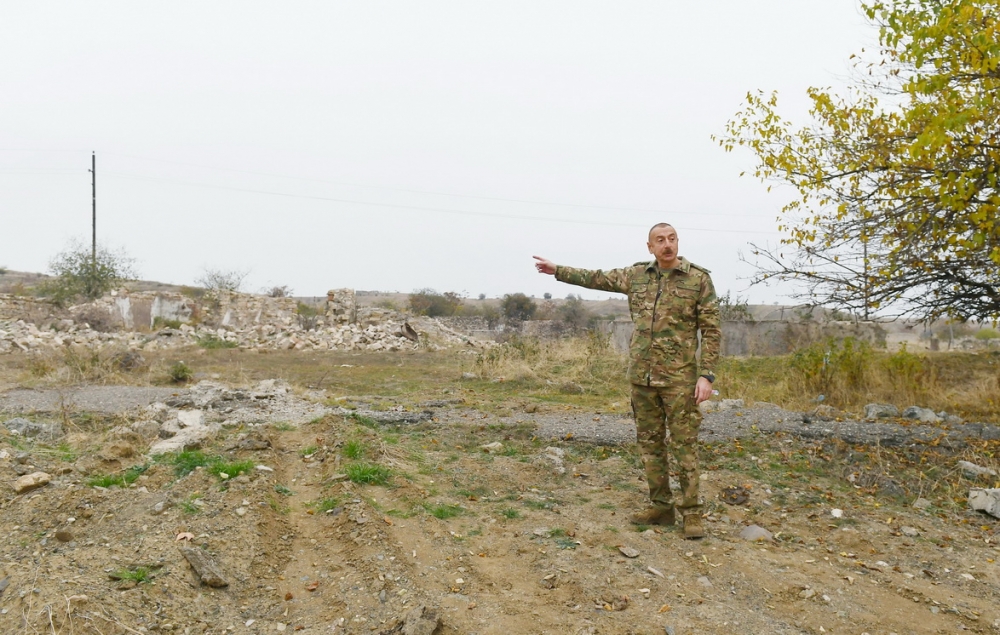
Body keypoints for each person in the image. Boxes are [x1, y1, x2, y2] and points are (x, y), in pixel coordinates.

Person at [533, 223, 720, 539]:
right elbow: (596, 278)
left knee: (685, 445)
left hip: (679, 380)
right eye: (660, 240)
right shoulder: (636, 276)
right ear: (649, 247)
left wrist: (706, 375)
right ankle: (661, 506)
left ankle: (692, 514)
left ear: (678, 242)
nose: (667, 245)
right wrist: (557, 270)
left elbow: (712, 330)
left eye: (672, 239)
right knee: (650, 444)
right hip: (642, 378)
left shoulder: (698, 279)